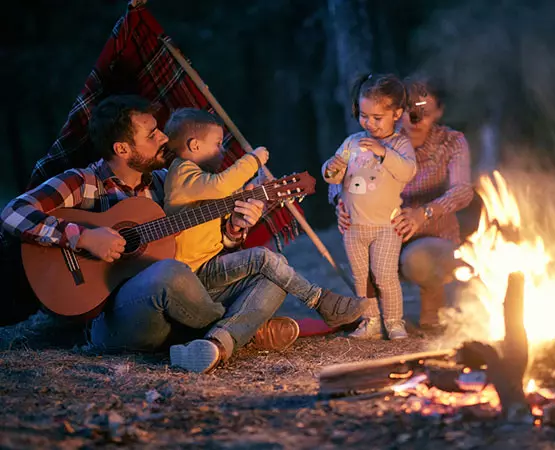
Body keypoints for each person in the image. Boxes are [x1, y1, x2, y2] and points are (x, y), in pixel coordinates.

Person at [1, 95, 299, 374]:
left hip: (175, 300)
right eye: (152, 134)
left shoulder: (165, 182)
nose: (164, 138)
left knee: (273, 269)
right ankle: (246, 329)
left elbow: (196, 242)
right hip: (115, 319)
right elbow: (13, 213)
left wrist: (233, 229)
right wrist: (83, 237)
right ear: (122, 149)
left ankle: (220, 339)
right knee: (168, 272)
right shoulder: (83, 182)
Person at [162, 108, 368, 371]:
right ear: (194, 145)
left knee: (276, 274)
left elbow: (219, 206)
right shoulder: (183, 172)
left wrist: (253, 193)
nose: (222, 151)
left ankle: (215, 345)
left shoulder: (198, 182)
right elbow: (220, 186)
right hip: (186, 276)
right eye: (216, 144)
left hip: (207, 269)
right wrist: (252, 160)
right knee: (264, 258)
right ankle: (320, 300)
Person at [332, 76, 475, 331]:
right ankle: (373, 320)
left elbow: (463, 190)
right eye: (410, 113)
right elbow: (344, 170)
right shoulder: (379, 138)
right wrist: (339, 202)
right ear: (398, 112)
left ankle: (432, 313)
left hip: (432, 234)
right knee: (364, 255)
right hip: (379, 225)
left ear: (438, 110)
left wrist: (424, 213)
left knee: (418, 260)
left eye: (424, 113)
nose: (414, 121)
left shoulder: (451, 142)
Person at [322, 74, 417, 340]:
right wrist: (330, 169)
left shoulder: (399, 145)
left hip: (386, 225)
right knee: (361, 278)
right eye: (364, 116)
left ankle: (395, 322)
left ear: (396, 113)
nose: (369, 123)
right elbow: (334, 175)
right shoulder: (352, 142)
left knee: (385, 275)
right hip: (354, 225)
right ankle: (370, 321)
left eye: (377, 118)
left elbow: (408, 170)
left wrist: (382, 151)